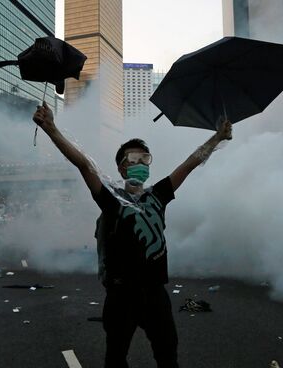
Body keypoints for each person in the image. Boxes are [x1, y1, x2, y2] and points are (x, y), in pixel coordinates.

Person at [32, 101, 232, 368]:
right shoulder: (112, 200)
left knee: (167, 354)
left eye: (145, 159)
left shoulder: (158, 195)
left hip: (155, 293)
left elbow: (191, 163)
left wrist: (217, 137)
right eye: (134, 159)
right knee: (116, 357)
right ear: (122, 167)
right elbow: (83, 164)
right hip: (121, 295)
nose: (141, 164)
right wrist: (51, 129)